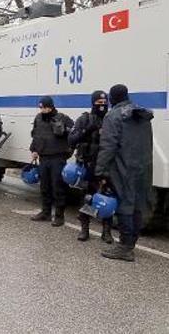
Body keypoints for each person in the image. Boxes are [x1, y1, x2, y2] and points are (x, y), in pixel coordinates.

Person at [96, 85, 153, 261]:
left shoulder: (114, 116)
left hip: (123, 168)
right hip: (143, 167)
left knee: (124, 206)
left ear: (112, 98)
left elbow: (108, 146)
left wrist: (101, 171)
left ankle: (125, 247)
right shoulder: (142, 115)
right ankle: (131, 242)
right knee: (137, 205)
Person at [68, 90, 113, 243]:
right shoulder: (84, 119)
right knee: (87, 198)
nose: (102, 106)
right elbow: (71, 140)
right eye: (99, 103)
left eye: (105, 103)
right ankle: (84, 229)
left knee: (107, 198)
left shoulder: (111, 119)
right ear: (93, 103)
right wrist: (87, 130)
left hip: (107, 166)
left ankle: (106, 231)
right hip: (88, 165)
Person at [29, 96, 75, 226]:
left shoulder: (62, 118)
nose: (43, 110)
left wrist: (64, 130)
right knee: (44, 187)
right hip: (44, 157)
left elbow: (74, 133)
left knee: (58, 187)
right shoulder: (38, 118)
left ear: (51, 106)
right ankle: (46, 212)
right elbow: (36, 135)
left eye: (45, 107)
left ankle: (59, 216)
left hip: (57, 157)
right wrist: (34, 150)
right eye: (41, 107)